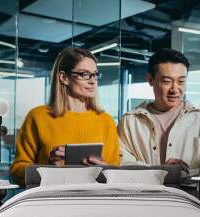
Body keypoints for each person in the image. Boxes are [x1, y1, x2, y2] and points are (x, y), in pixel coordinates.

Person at [10, 47, 120, 186]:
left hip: (94, 201)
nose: (93, 81)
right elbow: (16, 172)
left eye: (95, 74)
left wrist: (103, 170)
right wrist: (49, 169)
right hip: (51, 201)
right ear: (64, 77)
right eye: (84, 74)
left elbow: (116, 174)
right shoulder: (37, 117)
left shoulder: (106, 121)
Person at [118, 48, 200, 176]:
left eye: (181, 81)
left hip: (189, 195)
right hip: (145, 194)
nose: (175, 89)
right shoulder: (130, 122)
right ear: (150, 80)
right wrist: (160, 170)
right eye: (167, 81)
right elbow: (122, 163)